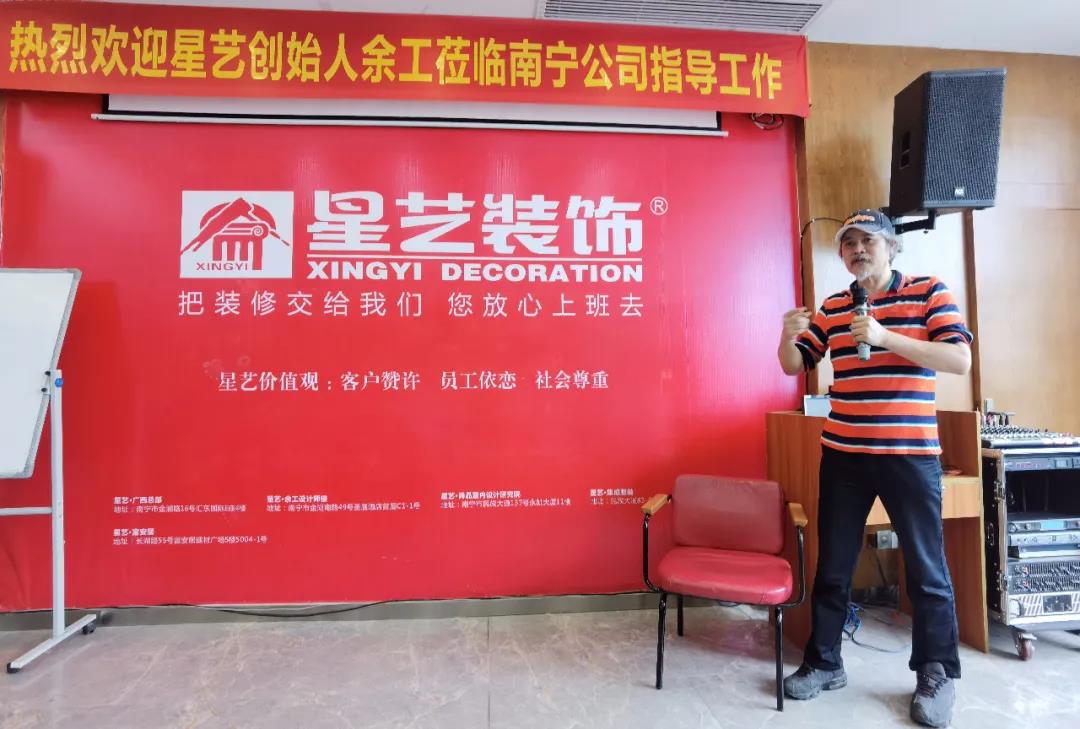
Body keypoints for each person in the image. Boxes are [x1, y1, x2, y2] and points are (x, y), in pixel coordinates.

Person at [776, 209, 973, 728]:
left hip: (910, 455)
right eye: (849, 243)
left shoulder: (928, 292)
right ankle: (824, 663)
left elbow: (958, 360)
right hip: (844, 454)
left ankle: (935, 672)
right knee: (834, 565)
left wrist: (886, 338)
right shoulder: (835, 306)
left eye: (868, 240)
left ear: (891, 247)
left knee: (927, 570)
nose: (858, 250)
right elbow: (796, 364)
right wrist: (787, 336)